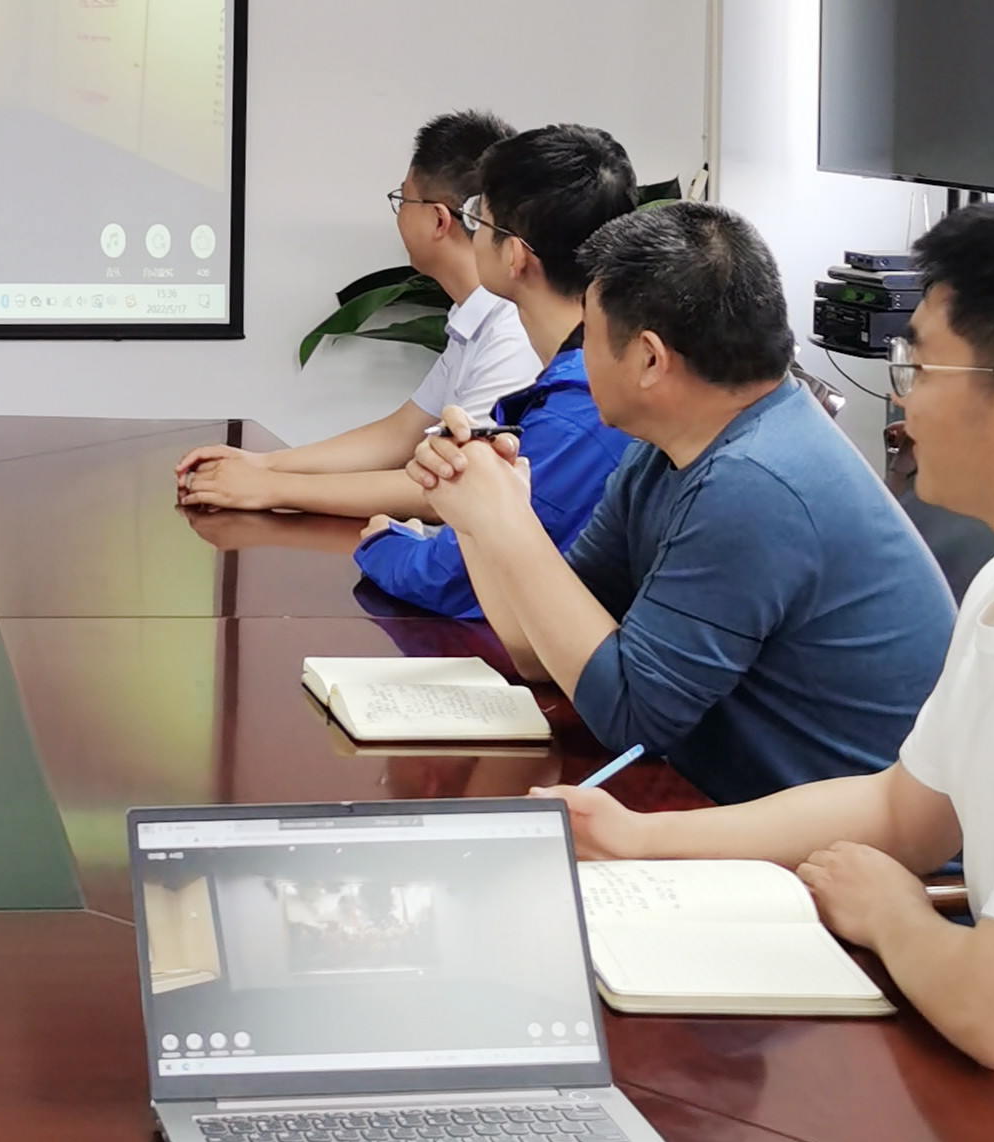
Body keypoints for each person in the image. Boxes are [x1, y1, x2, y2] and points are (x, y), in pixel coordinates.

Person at [539, 194, 994, 1142]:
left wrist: (891, 910)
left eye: (920, 365)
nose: (899, 405)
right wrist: (636, 838)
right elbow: (903, 809)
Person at [409, 203, 951, 803]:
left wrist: (508, 519)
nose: (579, 356)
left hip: (836, 847)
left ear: (649, 358)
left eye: (588, 335)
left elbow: (629, 717)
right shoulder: (668, 449)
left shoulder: (754, 482)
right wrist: (475, 510)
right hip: (725, 804)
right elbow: (544, 652)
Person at [177, 111, 538, 519]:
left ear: (438, 220)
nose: (399, 214)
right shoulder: (474, 319)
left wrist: (270, 488)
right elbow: (399, 435)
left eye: (403, 200)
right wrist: (263, 464)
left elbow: (459, 488)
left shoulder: (513, 334)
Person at [349, 124, 641, 617]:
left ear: (514, 256)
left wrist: (384, 543)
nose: (471, 236)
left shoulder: (578, 410)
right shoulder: (597, 375)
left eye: (479, 222)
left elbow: (453, 580)